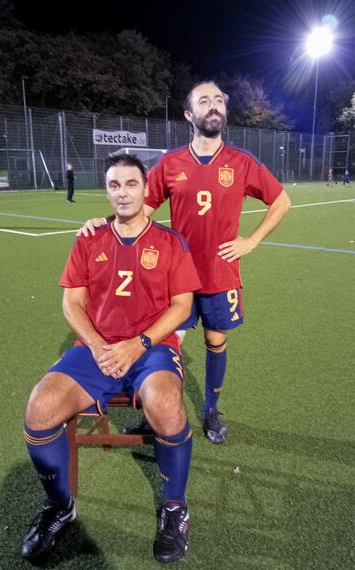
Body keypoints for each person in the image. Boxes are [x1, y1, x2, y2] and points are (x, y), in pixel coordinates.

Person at [78, 81, 291, 446]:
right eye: (204, 101)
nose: (214, 106)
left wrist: (251, 240)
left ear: (224, 112)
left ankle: (210, 409)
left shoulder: (242, 163)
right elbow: (141, 210)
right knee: (162, 342)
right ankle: (154, 412)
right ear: (189, 115)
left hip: (221, 274)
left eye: (219, 100)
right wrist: (103, 224)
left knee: (214, 340)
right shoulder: (171, 163)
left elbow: (281, 200)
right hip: (175, 277)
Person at [21, 154, 201, 563]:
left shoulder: (170, 242)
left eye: (131, 184)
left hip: (152, 348)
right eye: (114, 185)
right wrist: (100, 345)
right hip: (95, 349)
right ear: (107, 191)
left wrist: (138, 343)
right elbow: (72, 303)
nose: (123, 192)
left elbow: (181, 306)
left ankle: (175, 507)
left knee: (167, 405)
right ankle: (60, 506)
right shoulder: (89, 237)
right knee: (40, 408)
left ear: (145, 189)